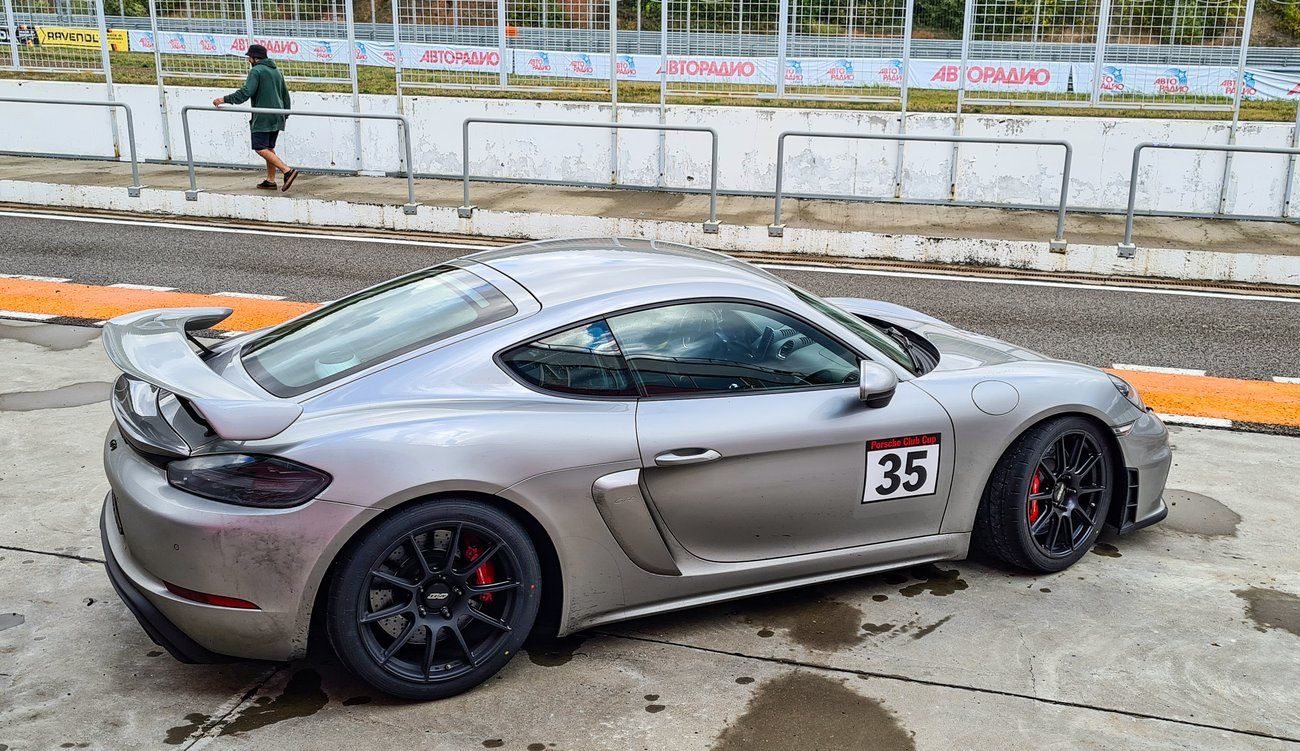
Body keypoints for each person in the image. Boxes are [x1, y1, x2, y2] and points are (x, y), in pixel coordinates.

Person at [213, 43, 299, 192]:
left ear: (255, 58)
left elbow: (246, 92)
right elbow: (285, 95)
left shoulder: (256, 71)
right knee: (269, 148)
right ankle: (270, 181)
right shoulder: (276, 71)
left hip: (263, 116)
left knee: (260, 147)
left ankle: (287, 171)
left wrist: (224, 99)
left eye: (249, 57)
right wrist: (285, 115)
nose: (248, 60)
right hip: (278, 115)